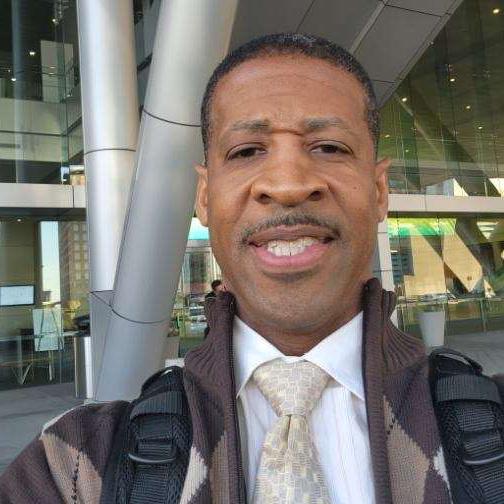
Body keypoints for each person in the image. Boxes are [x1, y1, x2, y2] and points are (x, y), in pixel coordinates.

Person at [0, 33, 474, 504]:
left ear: (379, 191)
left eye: (329, 147)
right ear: (205, 197)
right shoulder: (71, 467)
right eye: (247, 151)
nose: (287, 185)